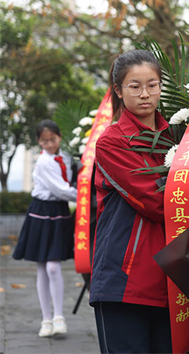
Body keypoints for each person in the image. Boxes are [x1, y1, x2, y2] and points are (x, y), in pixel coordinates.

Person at [90, 50, 173, 353]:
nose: (145, 94)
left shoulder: (179, 139)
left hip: (172, 279)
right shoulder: (112, 142)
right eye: (134, 86)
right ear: (118, 91)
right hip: (125, 283)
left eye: (152, 85)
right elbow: (158, 200)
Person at [13, 120, 77, 337]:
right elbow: (62, 190)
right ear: (38, 141)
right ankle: (46, 319)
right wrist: (86, 197)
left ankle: (59, 317)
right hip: (41, 211)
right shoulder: (43, 162)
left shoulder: (68, 158)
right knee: (42, 266)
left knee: (52, 266)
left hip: (59, 212)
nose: (49, 144)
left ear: (60, 137)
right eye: (44, 140)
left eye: (53, 139)